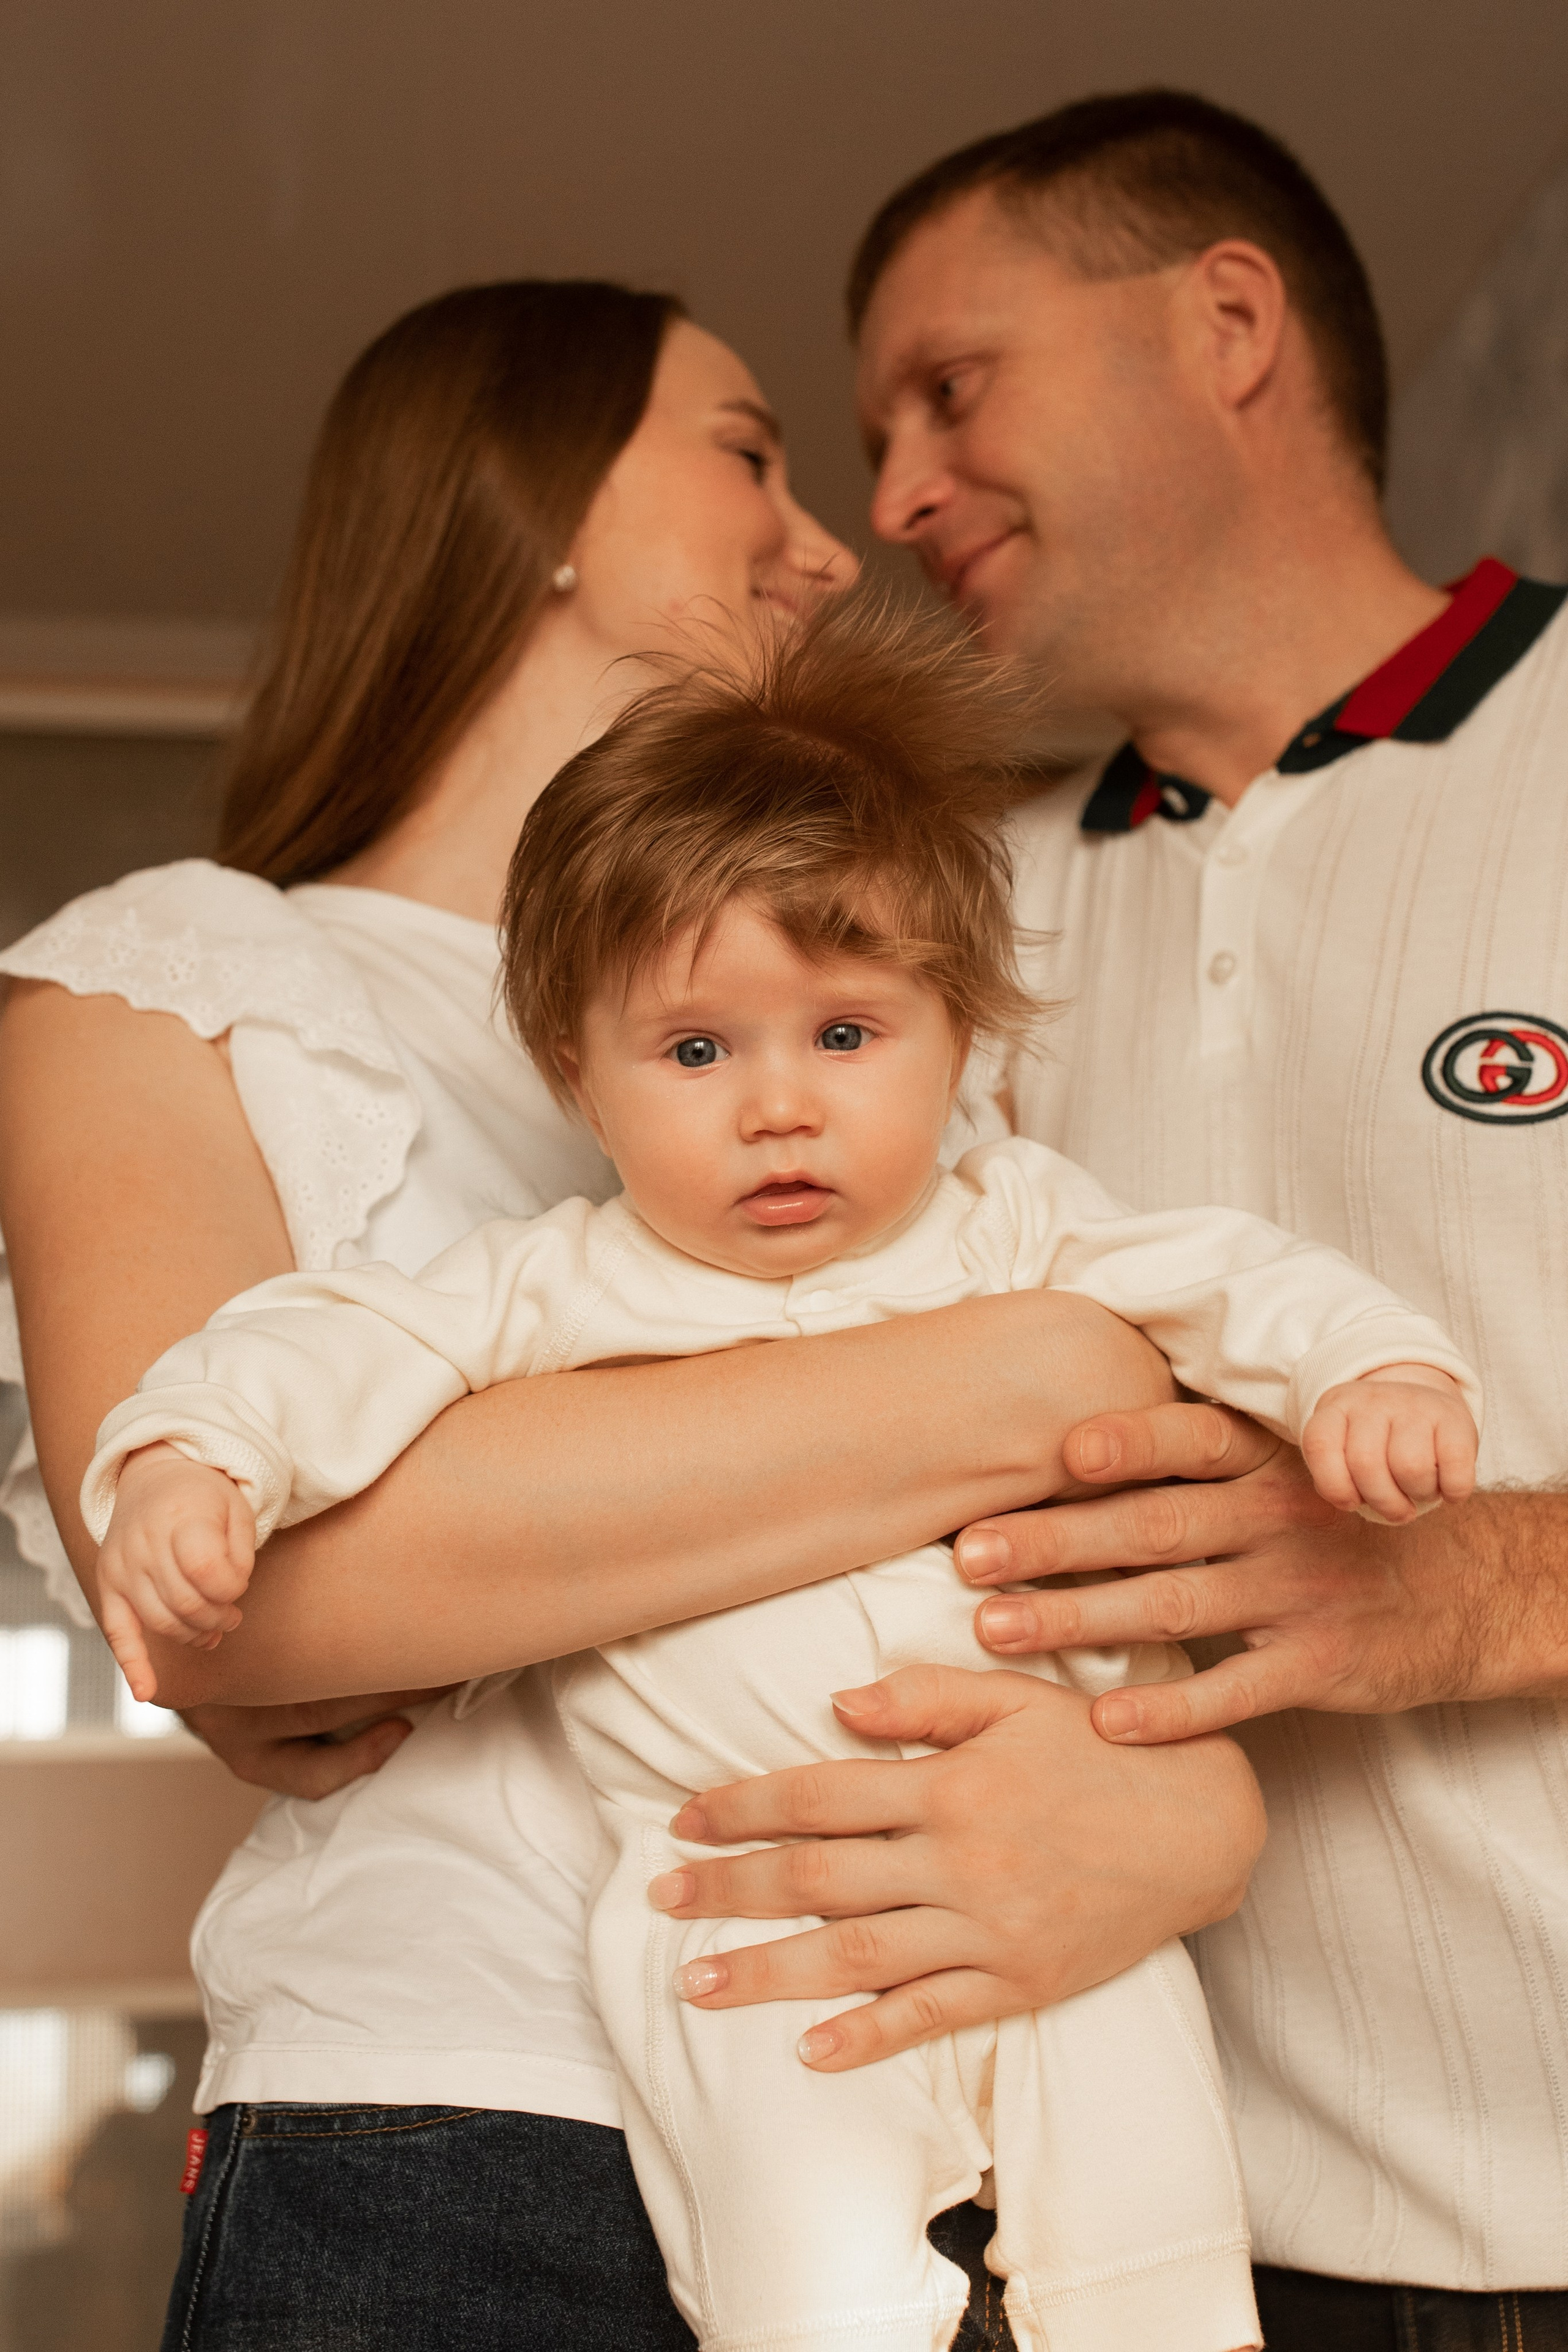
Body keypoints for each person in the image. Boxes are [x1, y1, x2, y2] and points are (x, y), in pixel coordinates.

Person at [0, 279, 1263, 2349]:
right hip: (445, 2124)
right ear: (538, 499)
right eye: (750, 451)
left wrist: (1191, 1812)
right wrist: (1009, 1376)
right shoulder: (172, 977)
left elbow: (1137, 1490)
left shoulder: (903, 1014)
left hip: (941, 2075)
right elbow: (254, 1600)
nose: (834, 539)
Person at [85, 597, 1481, 2352]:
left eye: (844, 1035)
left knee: (1158, 2251)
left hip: (1075, 1892)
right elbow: (316, 1345)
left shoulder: (1023, 1225)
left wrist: (1376, 1374)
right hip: (752, 1920)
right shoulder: (554, 1278)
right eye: (695, 1050)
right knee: (806, 2279)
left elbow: (1242, 1278)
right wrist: (188, 1463)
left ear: (959, 1037)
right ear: (576, 1075)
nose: (778, 1108)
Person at [650, 89, 1568, 2352]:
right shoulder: (944, 948)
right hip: (1153, 2248)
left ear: (1229, 322)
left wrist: (1450, 1584)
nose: (893, 501)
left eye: (954, 391)